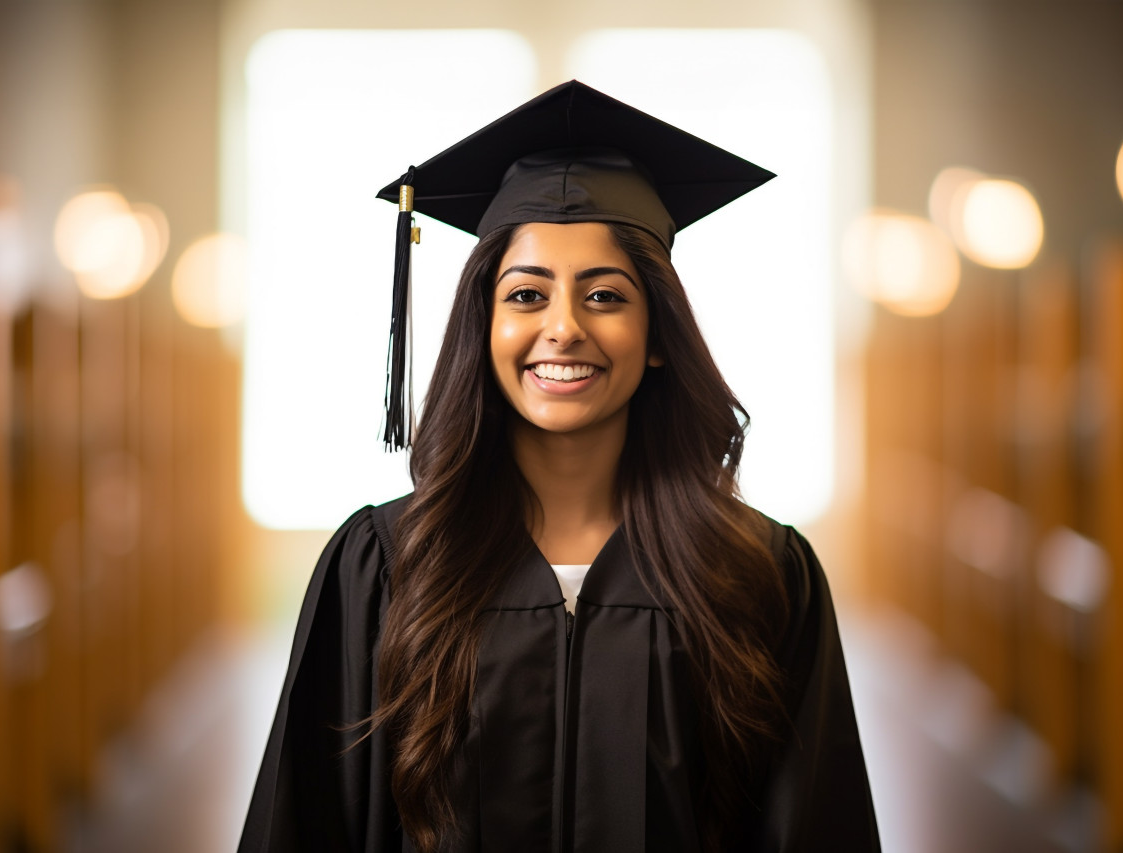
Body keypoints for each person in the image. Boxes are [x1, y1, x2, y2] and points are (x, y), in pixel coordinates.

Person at [239, 80, 880, 853]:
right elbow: (310, 824)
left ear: (657, 337)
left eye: (605, 295)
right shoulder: (385, 567)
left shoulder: (759, 574)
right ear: (485, 327)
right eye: (527, 295)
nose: (564, 328)